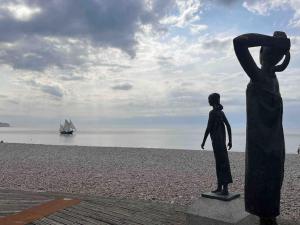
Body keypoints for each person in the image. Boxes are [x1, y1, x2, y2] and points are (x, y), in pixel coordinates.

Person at [233, 32, 290, 225]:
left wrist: (272, 42)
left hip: (262, 147)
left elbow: (239, 42)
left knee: (264, 194)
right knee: (269, 196)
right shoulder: (272, 79)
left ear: (262, 54)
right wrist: (280, 48)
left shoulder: (261, 77)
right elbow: (280, 65)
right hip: (274, 145)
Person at [201, 93, 233, 195]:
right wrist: (230, 141)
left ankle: (224, 189)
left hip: (217, 142)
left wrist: (203, 141)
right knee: (222, 163)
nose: (208, 101)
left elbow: (208, 128)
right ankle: (221, 187)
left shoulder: (213, 113)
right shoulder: (221, 113)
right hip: (221, 142)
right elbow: (228, 126)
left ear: (213, 101)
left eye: (209, 99)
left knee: (221, 164)